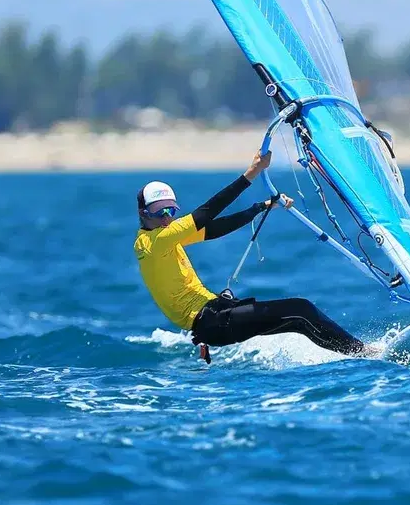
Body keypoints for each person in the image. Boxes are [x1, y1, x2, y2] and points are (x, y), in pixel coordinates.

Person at [133, 150, 365, 362]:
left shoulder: (165, 236)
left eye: (171, 210)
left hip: (215, 314)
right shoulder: (153, 242)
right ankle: (362, 352)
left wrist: (259, 207)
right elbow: (206, 213)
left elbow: (214, 228)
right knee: (301, 309)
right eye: (159, 212)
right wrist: (251, 173)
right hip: (210, 323)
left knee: (298, 320)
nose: (166, 217)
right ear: (143, 214)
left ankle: (355, 355)